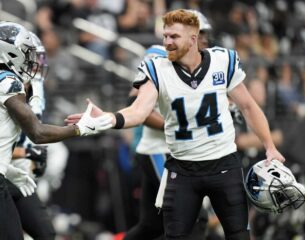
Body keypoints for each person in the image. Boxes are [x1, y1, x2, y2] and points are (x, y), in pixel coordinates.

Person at [67, 9, 284, 240]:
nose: (168, 42)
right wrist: (107, 118)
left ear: (194, 38)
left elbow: (249, 106)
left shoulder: (222, 60)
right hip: (180, 167)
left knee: (238, 235)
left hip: (224, 164)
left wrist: (269, 146)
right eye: (165, 36)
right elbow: (138, 110)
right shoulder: (157, 66)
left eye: (174, 37)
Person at [0, 21, 111, 240]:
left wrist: (4, 166)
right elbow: (38, 133)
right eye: (25, 51)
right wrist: (80, 128)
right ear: (9, 52)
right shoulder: (5, 81)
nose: (30, 58)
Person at [124, 10, 213, 240]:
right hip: (159, 151)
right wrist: (175, 125)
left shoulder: (204, 63)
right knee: (193, 215)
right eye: (200, 33)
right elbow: (134, 102)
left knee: (151, 226)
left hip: (177, 151)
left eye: (205, 34)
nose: (203, 40)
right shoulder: (159, 54)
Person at [6, 32, 56, 240]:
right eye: (31, 58)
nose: (37, 64)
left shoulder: (35, 88)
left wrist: (31, 157)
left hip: (20, 174)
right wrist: (27, 152)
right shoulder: (3, 88)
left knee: (45, 233)